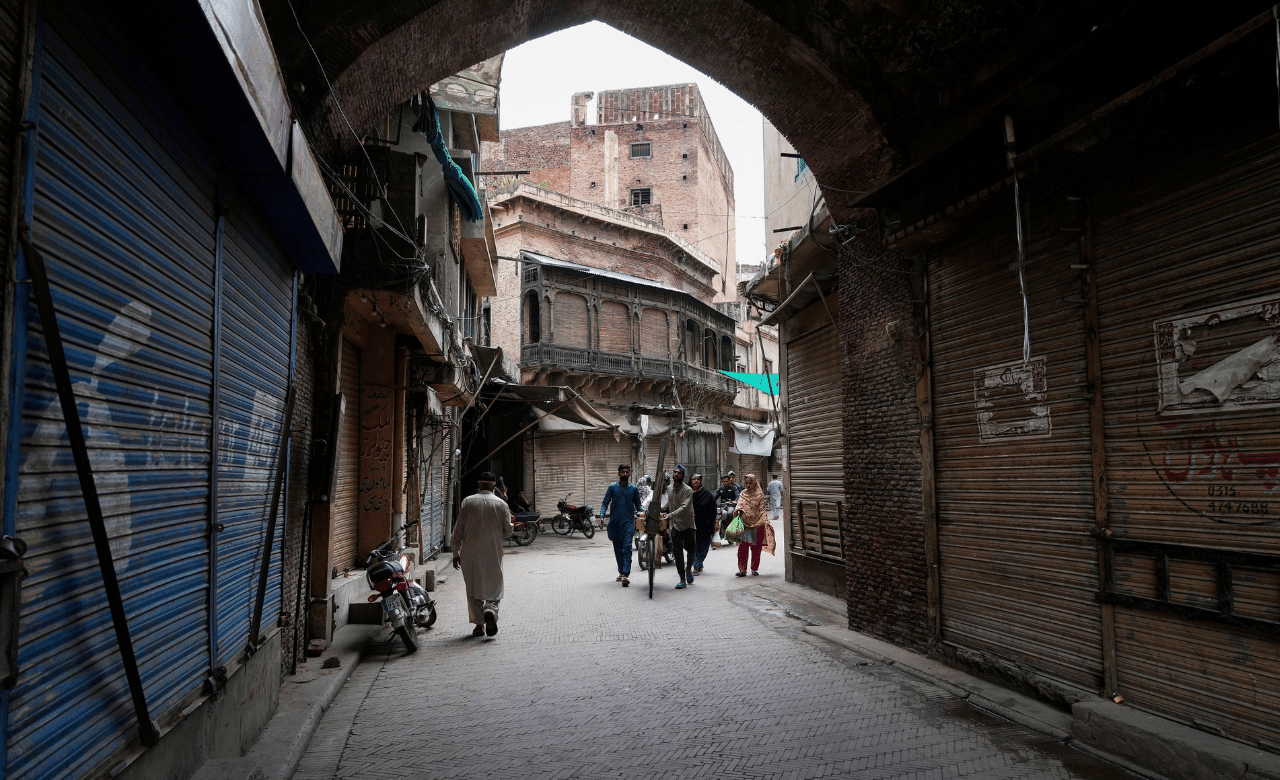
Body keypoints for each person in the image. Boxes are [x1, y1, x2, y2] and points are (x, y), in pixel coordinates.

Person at [450, 472, 513, 637]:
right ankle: (490, 610)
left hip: (469, 553)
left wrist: (455, 552)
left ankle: (479, 626)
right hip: (493, 552)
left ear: (479, 485)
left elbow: (458, 531)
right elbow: (507, 531)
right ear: (494, 487)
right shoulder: (501, 504)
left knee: (472, 588)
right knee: (494, 586)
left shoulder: (468, 502)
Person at [600, 464, 642, 587]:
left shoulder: (634, 489)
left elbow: (638, 505)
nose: (625, 474)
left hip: (628, 523)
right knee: (618, 549)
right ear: (618, 473)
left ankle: (625, 574)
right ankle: (621, 571)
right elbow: (605, 503)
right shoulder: (612, 488)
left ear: (629, 474)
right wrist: (602, 516)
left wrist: (643, 511)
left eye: (627, 472)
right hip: (615, 523)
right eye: (622, 472)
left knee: (627, 548)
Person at [733, 474, 776, 577]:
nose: (748, 485)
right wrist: (737, 510)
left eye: (750, 483)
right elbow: (739, 505)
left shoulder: (759, 495)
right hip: (745, 526)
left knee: (756, 548)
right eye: (746, 483)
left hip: (757, 526)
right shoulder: (743, 494)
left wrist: (764, 520)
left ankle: (754, 569)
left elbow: (762, 509)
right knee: (743, 548)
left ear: (754, 483)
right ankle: (742, 570)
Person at [661, 464, 696, 589]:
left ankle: (688, 568)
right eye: (674, 472)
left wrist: (670, 515)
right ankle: (682, 578)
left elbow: (684, 507)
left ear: (683, 476)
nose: (676, 474)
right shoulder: (669, 488)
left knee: (691, 550)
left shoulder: (688, 490)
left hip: (688, 524)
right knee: (677, 552)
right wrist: (658, 508)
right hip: (675, 525)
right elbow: (668, 505)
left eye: (679, 473)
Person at [689, 474, 717, 574]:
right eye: (694, 479)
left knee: (704, 545)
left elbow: (713, 508)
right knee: (693, 546)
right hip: (690, 524)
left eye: (698, 479)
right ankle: (699, 563)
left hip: (705, 525)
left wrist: (714, 521)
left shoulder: (706, 494)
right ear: (690, 481)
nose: (696, 481)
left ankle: (696, 566)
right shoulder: (687, 493)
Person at [715, 475, 739, 545]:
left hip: (731, 506)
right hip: (723, 506)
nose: (725, 483)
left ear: (729, 480)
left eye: (726, 481)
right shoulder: (721, 489)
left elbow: (737, 495)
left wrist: (736, 501)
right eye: (723, 482)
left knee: (730, 513)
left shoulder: (734, 488)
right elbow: (715, 496)